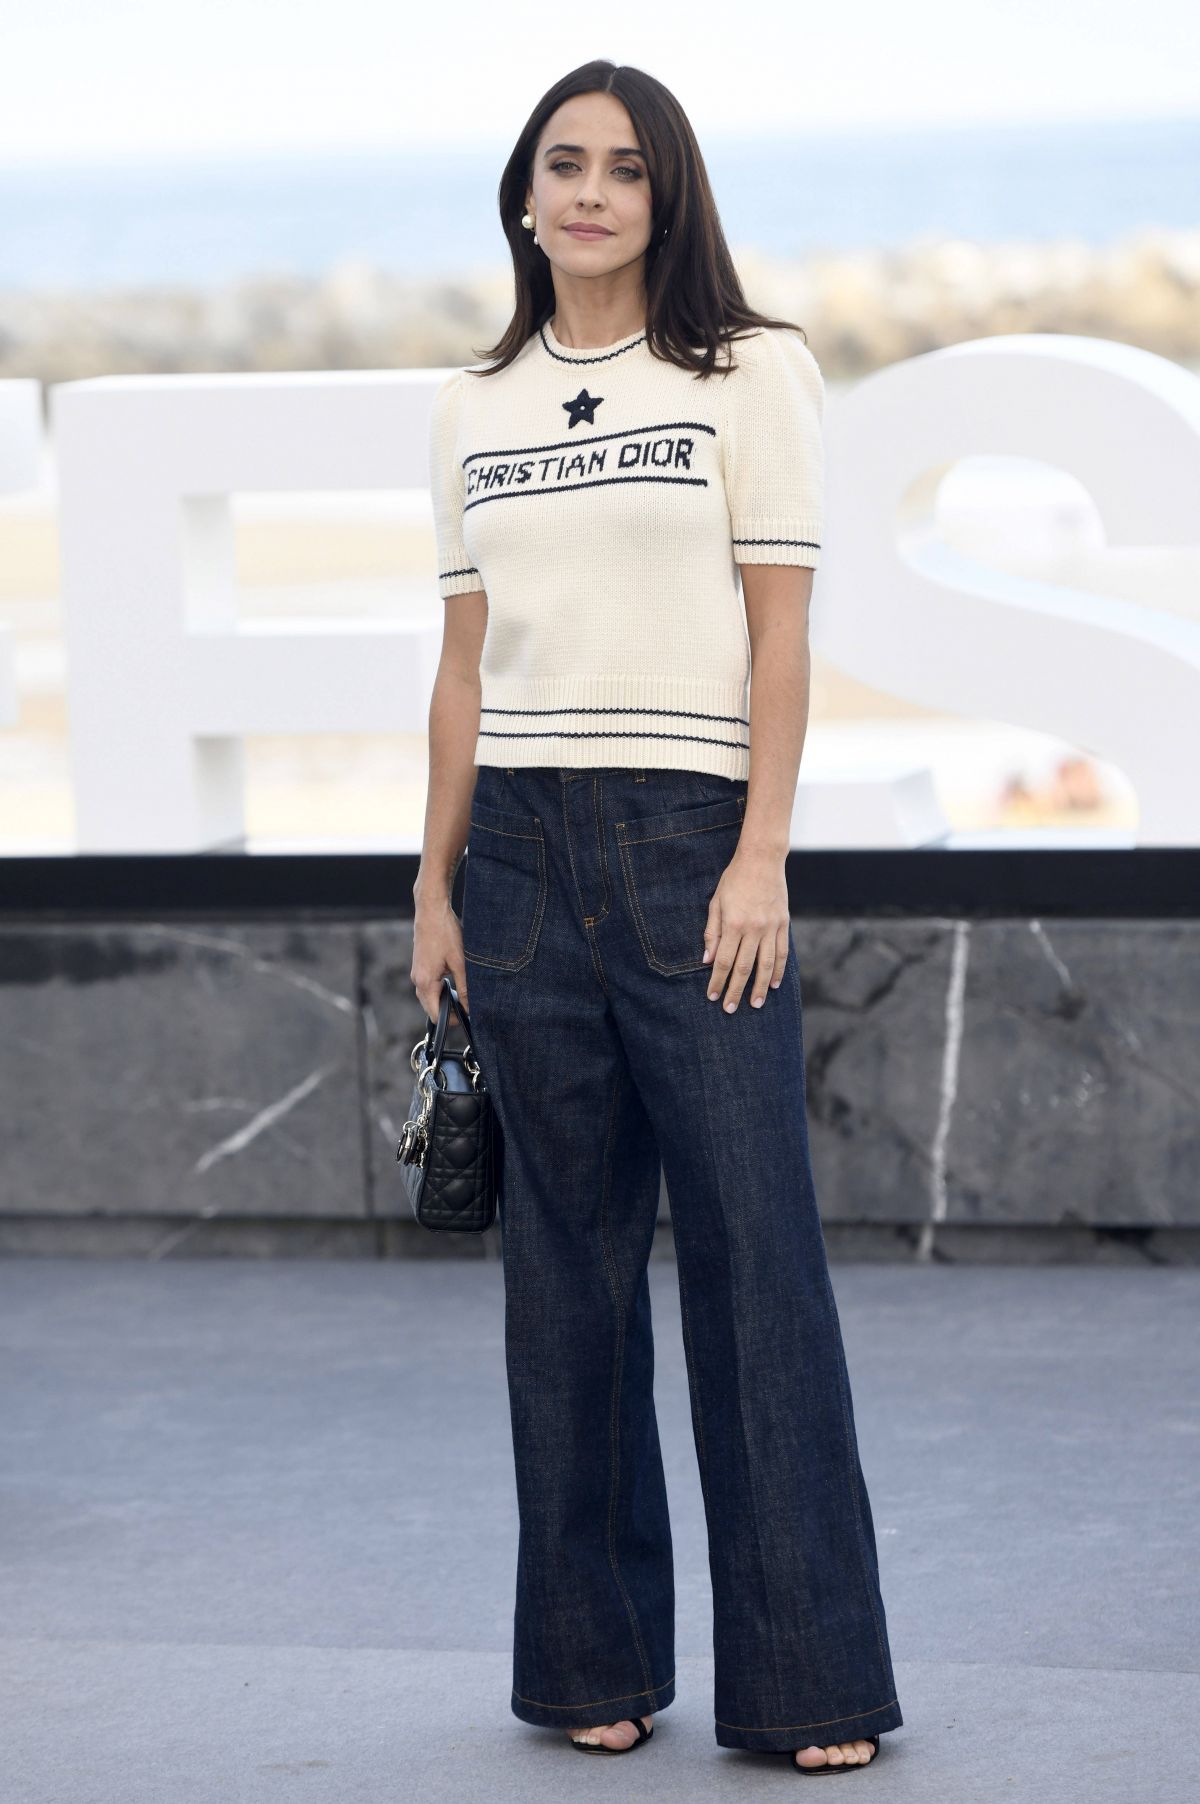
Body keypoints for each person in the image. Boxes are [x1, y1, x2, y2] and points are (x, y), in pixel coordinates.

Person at [411, 58, 903, 1777]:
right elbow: (467, 669)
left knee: (757, 1263)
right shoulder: (476, 402)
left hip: (694, 837)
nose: (593, 192)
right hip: (523, 859)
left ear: (666, 194)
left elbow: (779, 635)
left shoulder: (748, 372)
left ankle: (810, 1686)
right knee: (564, 1281)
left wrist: (762, 853)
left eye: (626, 167)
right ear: (525, 193)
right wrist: (434, 880)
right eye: (566, 164)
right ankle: (587, 1666)